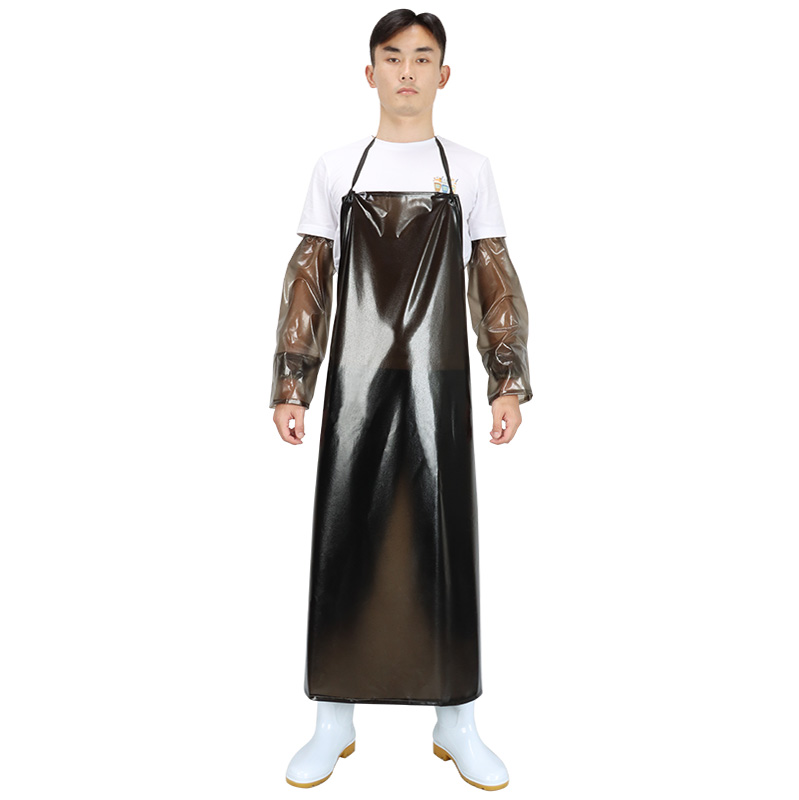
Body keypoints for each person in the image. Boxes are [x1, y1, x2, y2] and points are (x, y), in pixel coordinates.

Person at [270, 9, 532, 791]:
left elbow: (493, 278)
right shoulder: (335, 167)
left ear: (444, 74)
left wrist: (507, 379)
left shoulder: (470, 169)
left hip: (439, 382)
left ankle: (456, 720)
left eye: (422, 58)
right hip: (353, 384)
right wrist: (292, 382)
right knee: (343, 538)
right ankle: (333, 718)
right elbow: (309, 278)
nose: (407, 71)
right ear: (370, 72)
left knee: (442, 544)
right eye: (392, 57)